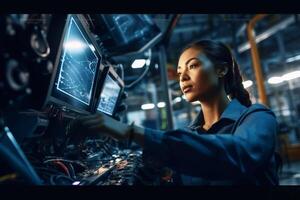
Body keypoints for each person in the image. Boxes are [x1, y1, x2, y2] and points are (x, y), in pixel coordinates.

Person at [70, 40, 280, 185]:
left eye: (193, 66)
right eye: (180, 72)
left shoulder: (258, 117)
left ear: (221, 70)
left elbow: (237, 156)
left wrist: (132, 132)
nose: (183, 77)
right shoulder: (190, 136)